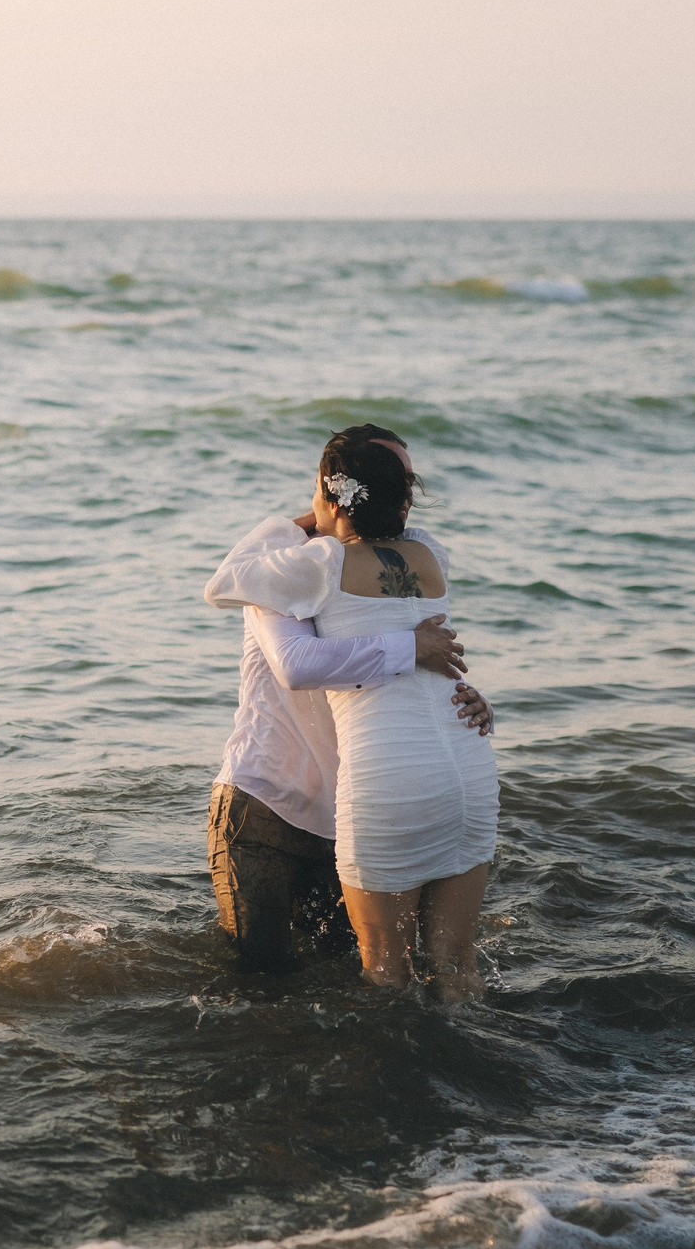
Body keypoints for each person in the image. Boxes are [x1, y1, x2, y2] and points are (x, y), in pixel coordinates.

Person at [202, 426, 497, 994]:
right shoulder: (296, 566)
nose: (408, 498)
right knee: (263, 982)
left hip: (360, 798)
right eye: (401, 484)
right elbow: (296, 662)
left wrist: (464, 693)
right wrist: (414, 650)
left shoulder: (302, 565)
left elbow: (224, 578)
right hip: (269, 804)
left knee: (357, 974)